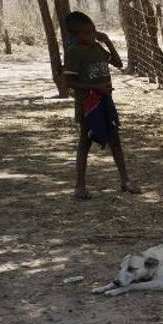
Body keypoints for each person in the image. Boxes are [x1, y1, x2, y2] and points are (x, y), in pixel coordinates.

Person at [62, 11, 139, 200]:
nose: (92, 35)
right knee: (85, 142)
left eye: (93, 31)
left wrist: (108, 42)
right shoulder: (74, 52)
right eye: (87, 33)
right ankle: (80, 186)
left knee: (115, 139)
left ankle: (125, 180)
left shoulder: (97, 47)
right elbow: (68, 82)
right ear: (76, 35)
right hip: (88, 104)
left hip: (105, 100)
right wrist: (93, 87)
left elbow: (119, 64)